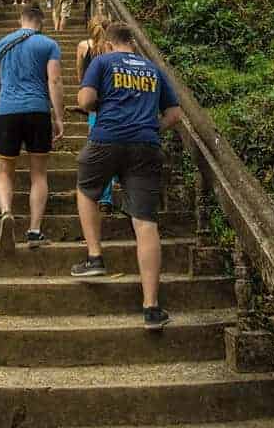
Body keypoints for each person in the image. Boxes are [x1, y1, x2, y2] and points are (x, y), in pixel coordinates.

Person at [70, 21, 182, 331]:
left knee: (86, 189)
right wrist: (149, 127)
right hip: (146, 145)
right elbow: (174, 115)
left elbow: (85, 100)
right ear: (132, 43)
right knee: (145, 222)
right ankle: (151, 307)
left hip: (107, 138)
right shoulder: (151, 67)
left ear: (106, 43)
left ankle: (95, 258)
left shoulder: (102, 61)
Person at [0, 4, 65, 252]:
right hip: (37, 111)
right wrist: (59, 117)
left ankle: (6, 212)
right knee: (39, 174)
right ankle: (34, 231)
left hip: (8, 111)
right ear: (40, 22)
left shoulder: (1, 44)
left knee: (4, 173)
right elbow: (54, 81)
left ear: (20, 20)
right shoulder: (48, 44)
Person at [75, 17, 119, 214]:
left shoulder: (84, 46)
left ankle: (104, 196)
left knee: (99, 150)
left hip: (93, 103)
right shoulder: (113, 50)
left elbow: (79, 73)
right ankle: (112, 189)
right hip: (113, 102)